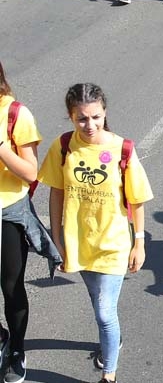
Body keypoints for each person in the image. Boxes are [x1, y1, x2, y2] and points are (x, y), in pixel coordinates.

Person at [40, 83, 154, 383]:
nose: (89, 125)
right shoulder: (63, 146)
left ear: (105, 113)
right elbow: (56, 193)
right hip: (78, 242)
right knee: (98, 301)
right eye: (82, 118)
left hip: (113, 243)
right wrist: (56, 238)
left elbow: (137, 199)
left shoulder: (122, 149)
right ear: (70, 116)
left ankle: (109, 375)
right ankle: (112, 340)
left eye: (96, 117)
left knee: (104, 312)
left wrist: (139, 243)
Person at [0, 62, 57, 383]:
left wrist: (1, 149)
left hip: (7, 211)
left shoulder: (15, 114)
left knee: (10, 286)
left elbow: (30, 172)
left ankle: (17, 352)